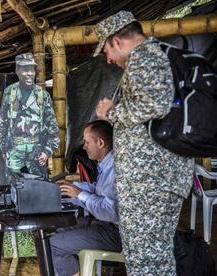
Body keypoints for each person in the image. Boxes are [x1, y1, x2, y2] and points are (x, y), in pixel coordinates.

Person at [94, 11, 194, 275]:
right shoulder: (155, 57)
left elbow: (155, 103)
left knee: (145, 263)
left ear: (117, 41)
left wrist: (111, 113)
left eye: (106, 50)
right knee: (156, 260)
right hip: (156, 181)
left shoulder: (143, 57)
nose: (108, 58)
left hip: (149, 184)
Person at [50, 120, 121, 276]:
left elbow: (110, 211)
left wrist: (79, 194)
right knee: (58, 231)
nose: (84, 147)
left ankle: (75, 272)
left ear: (101, 143)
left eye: (87, 142)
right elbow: (97, 190)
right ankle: (77, 270)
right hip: (104, 225)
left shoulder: (116, 168)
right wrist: (71, 187)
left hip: (115, 233)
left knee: (52, 245)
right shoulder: (106, 165)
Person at [0, 53, 59, 179]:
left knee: (38, 190)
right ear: (17, 71)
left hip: (37, 152)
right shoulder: (9, 93)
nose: (30, 73)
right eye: (25, 69)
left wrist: (47, 151)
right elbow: (2, 123)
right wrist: (4, 150)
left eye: (32, 69)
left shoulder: (43, 95)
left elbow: (53, 128)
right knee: (15, 190)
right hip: (14, 152)